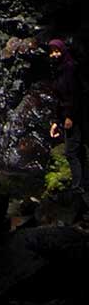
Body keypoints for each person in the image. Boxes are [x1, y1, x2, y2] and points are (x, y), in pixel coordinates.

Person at [48, 39, 87, 200]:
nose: (54, 55)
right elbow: (59, 99)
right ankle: (82, 185)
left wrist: (70, 116)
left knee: (71, 151)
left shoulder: (71, 68)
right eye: (51, 52)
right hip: (66, 115)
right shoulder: (58, 70)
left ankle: (78, 188)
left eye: (56, 51)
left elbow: (75, 95)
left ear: (63, 51)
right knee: (77, 150)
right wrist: (56, 121)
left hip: (77, 115)